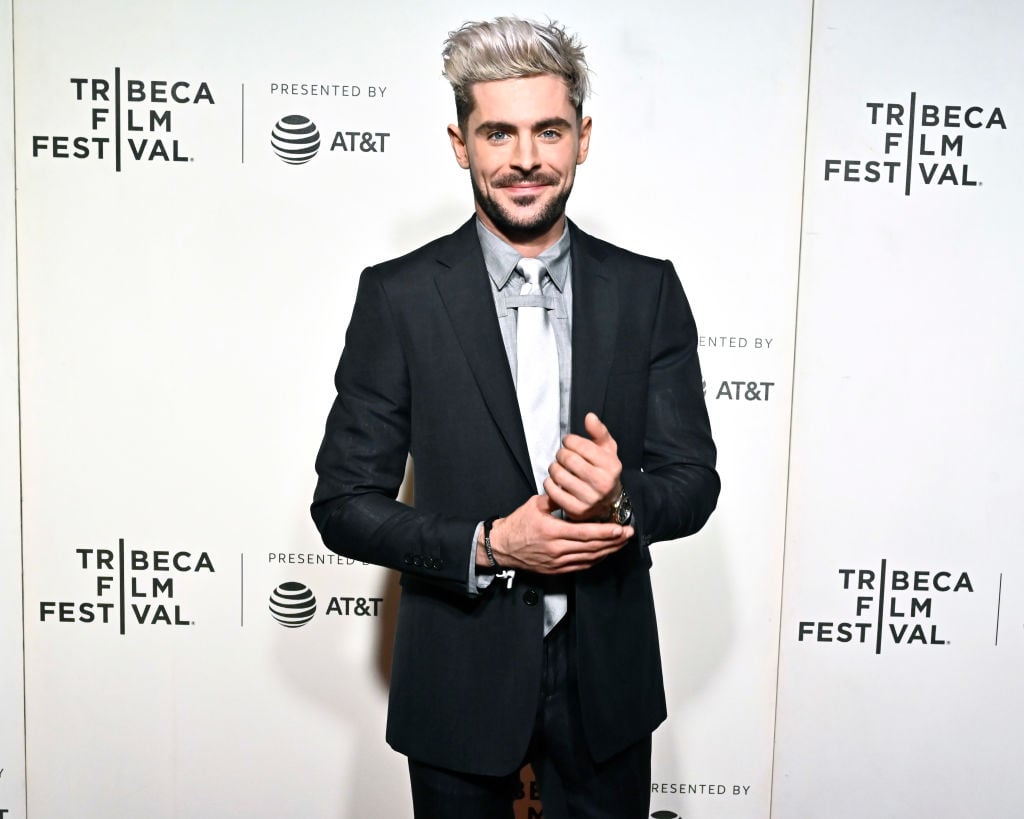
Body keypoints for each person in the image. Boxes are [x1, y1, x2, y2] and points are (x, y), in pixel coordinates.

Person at [311, 16, 719, 819]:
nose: (525, 157)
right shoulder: (398, 296)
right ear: (461, 143)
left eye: (548, 131)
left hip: (608, 679)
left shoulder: (648, 291)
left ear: (583, 137)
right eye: (498, 132)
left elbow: (693, 482)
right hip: (457, 678)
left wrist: (623, 501)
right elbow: (343, 504)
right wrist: (491, 544)